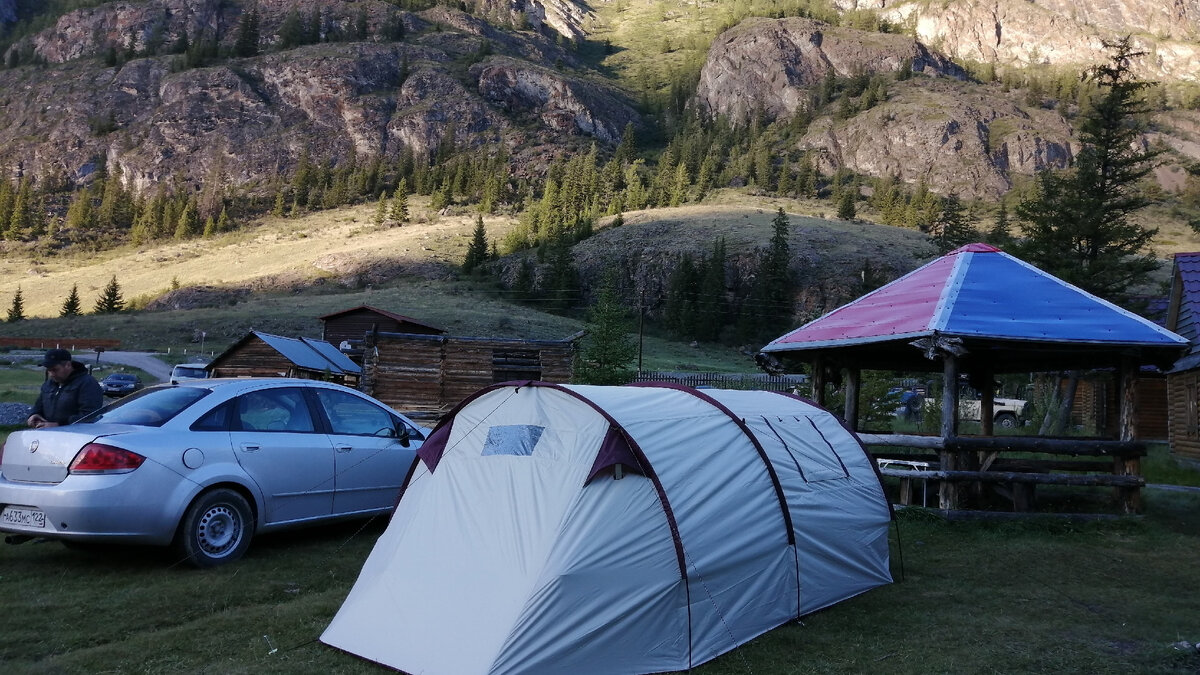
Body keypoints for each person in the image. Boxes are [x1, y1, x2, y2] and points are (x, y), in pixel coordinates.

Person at [26, 348, 105, 428]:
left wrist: (59, 425)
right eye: (49, 370)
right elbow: (39, 404)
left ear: (68, 365)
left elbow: (90, 416)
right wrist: (34, 414)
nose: (51, 374)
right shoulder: (49, 384)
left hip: (76, 436)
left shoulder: (87, 383)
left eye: (55, 370)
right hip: (48, 435)